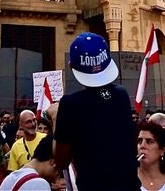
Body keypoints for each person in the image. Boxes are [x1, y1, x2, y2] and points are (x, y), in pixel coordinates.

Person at [53, 32, 140, 191]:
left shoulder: (69, 104)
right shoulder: (121, 94)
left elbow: (61, 161)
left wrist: (55, 118)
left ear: (71, 67)